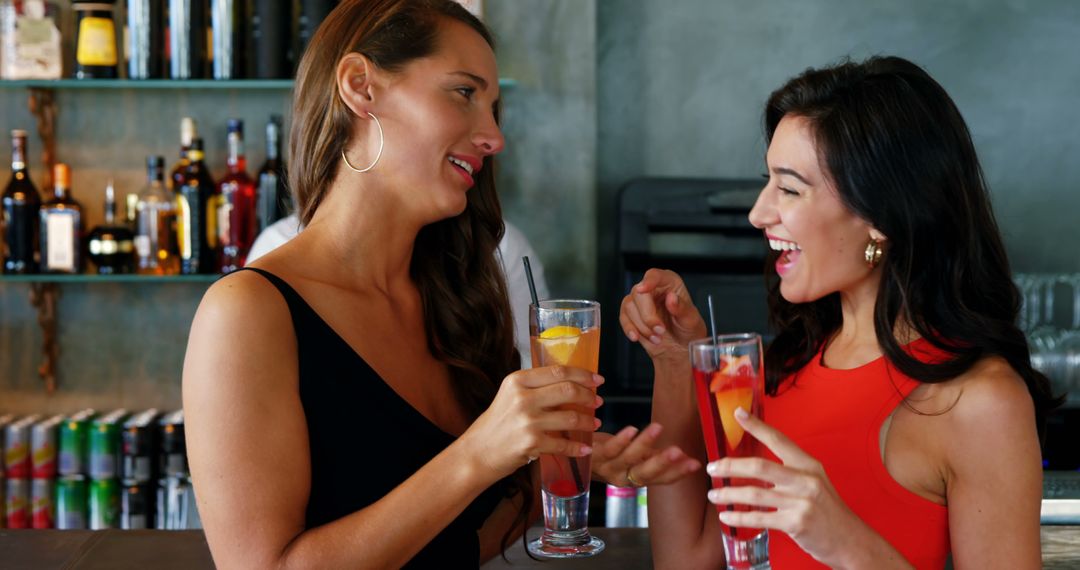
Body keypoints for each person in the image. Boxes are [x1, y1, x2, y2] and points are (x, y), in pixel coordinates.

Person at [182, 1, 698, 568]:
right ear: (361, 87)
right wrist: (480, 453)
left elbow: (463, 546)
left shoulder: (457, 297)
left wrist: (547, 470)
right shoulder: (247, 312)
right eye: (464, 93)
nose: (494, 136)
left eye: (495, 108)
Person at [620, 56, 1058, 569]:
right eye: (768, 182)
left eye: (788, 188)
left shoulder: (979, 400)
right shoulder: (786, 368)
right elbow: (686, 560)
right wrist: (675, 361)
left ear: (880, 217)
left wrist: (842, 540)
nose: (758, 213)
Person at [247, 213, 551, 366]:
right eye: (462, 92)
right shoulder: (272, 258)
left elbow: (537, 366)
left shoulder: (498, 245)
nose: (494, 140)